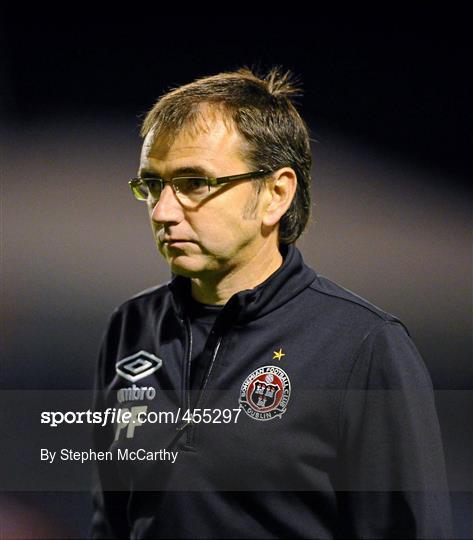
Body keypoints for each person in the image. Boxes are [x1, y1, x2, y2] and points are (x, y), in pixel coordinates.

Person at [91, 67, 453, 539]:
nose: (162, 211)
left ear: (276, 194)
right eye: (153, 185)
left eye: (195, 183)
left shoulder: (364, 347)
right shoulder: (130, 327)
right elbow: (111, 522)